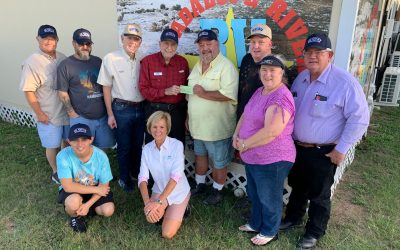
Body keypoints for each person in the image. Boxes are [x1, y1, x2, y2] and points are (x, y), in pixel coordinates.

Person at [280, 33, 370, 249]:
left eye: (318, 53)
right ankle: (293, 218)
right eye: (309, 52)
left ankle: (314, 232)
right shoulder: (301, 79)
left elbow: (359, 119)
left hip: (324, 151)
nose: (313, 57)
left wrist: (341, 149)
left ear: (330, 55)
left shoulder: (345, 83)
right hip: (297, 148)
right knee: (297, 187)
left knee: (319, 195)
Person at [233, 55, 296, 246]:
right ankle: (256, 223)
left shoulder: (281, 96)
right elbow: (245, 113)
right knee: (255, 193)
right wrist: (236, 135)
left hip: (273, 158)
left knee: (269, 197)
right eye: (264, 70)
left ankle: (270, 230)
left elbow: (272, 131)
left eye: (272, 70)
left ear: (281, 73)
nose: (267, 74)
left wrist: (245, 144)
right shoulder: (260, 91)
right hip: (253, 156)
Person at [187, 29, 239, 205]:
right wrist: (188, 116)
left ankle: (217, 191)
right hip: (198, 126)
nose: (205, 48)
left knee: (219, 162)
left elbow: (229, 94)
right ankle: (200, 185)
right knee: (200, 156)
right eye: (201, 45)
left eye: (209, 44)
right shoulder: (197, 66)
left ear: (217, 45)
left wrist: (204, 93)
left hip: (218, 128)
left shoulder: (226, 67)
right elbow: (191, 93)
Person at [97, 23, 145, 192]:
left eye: (136, 39)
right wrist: (110, 114)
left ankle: (135, 174)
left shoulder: (142, 58)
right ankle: (124, 179)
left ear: (140, 42)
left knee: (138, 144)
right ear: (122, 38)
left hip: (141, 107)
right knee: (124, 146)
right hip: (121, 109)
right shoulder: (110, 58)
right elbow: (106, 87)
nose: (133, 42)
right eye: (129, 37)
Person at [19, 24, 68, 184]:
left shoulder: (62, 57)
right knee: (52, 145)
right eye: (44, 38)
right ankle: (56, 171)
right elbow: (28, 91)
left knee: (66, 141)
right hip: (48, 113)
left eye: (52, 38)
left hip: (66, 111)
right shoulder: (31, 62)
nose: (48, 41)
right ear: (38, 39)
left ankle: (66, 167)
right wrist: (39, 113)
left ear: (57, 40)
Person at [57, 28, 115, 149]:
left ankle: (98, 168)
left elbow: (106, 85)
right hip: (81, 117)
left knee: (103, 146)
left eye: (87, 43)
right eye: (81, 43)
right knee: (82, 149)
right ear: (74, 44)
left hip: (102, 116)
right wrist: (71, 113)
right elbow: (62, 92)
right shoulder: (66, 65)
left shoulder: (98, 61)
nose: (84, 46)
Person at [138, 111, 191, 239]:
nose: (158, 130)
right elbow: (142, 178)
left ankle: (185, 207)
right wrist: (147, 203)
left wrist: (159, 202)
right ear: (150, 128)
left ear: (167, 128)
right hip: (159, 188)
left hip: (178, 192)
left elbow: (175, 177)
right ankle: (165, 211)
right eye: (154, 127)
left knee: (167, 233)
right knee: (152, 218)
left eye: (162, 127)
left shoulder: (176, 145)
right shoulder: (147, 149)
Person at [57, 123, 114, 233]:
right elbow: (68, 187)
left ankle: (86, 208)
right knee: (73, 202)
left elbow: (104, 186)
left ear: (91, 139)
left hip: (95, 188)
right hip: (74, 190)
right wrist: (97, 190)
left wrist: (88, 204)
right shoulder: (62, 156)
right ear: (69, 141)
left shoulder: (101, 156)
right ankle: (75, 216)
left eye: (84, 139)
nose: (80, 144)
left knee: (108, 210)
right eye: (75, 140)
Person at [139, 28, 189, 145]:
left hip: (177, 113)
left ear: (177, 46)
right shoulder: (148, 62)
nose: (169, 47)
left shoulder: (183, 62)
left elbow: (187, 88)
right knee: (154, 147)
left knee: (177, 146)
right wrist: (165, 91)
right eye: (166, 43)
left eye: (173, 44)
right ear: (159, 44)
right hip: (155, 111)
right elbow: (144, 90)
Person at [237, 23, 273, 120]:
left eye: (261, 42)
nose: (255, 46)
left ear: (270, 44)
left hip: (261, 126)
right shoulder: (246, 59)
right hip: (241, 123)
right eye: (253, 42)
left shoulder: (276, 67)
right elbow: (240, 92)